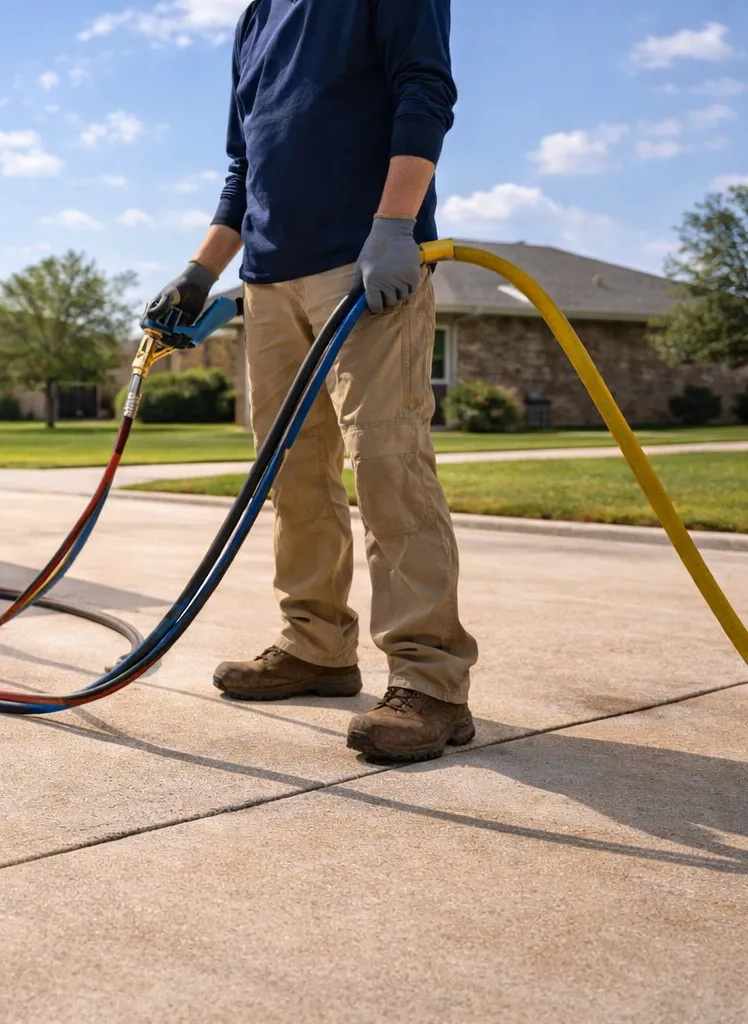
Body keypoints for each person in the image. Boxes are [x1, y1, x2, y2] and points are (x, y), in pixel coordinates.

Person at [148, 0, 478, 763]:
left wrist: (396, 226)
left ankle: (431, 681)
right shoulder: (258, 17)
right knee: (291, 473)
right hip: (269, 282)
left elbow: (424, 91)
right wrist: (201, 272)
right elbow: (246, 165)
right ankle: (317, 646)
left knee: (389, 463)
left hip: (366, 265)